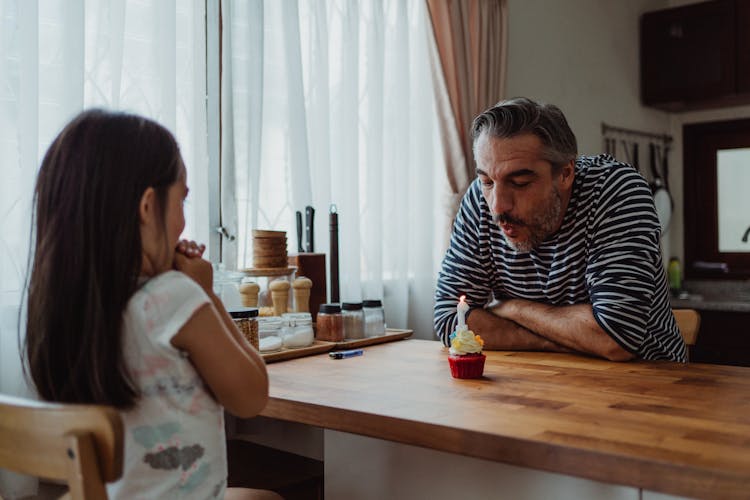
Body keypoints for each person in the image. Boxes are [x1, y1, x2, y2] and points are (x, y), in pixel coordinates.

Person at [24, 109, 282, 499]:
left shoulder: (67, 310)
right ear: (147, 207)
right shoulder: (173, 298)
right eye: (182, 201)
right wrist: (206, 293)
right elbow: (251, 396)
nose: (182, 221)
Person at [434, 97, 686, 362]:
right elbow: (451, 320)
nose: (497, 206)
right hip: (542, 381)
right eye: (486, 180)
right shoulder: (479, 201)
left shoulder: (616, 193)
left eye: (519, 182)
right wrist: (564, 341)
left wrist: (515, 309)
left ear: (565, 173)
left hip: (651, 382)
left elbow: (615, 338)